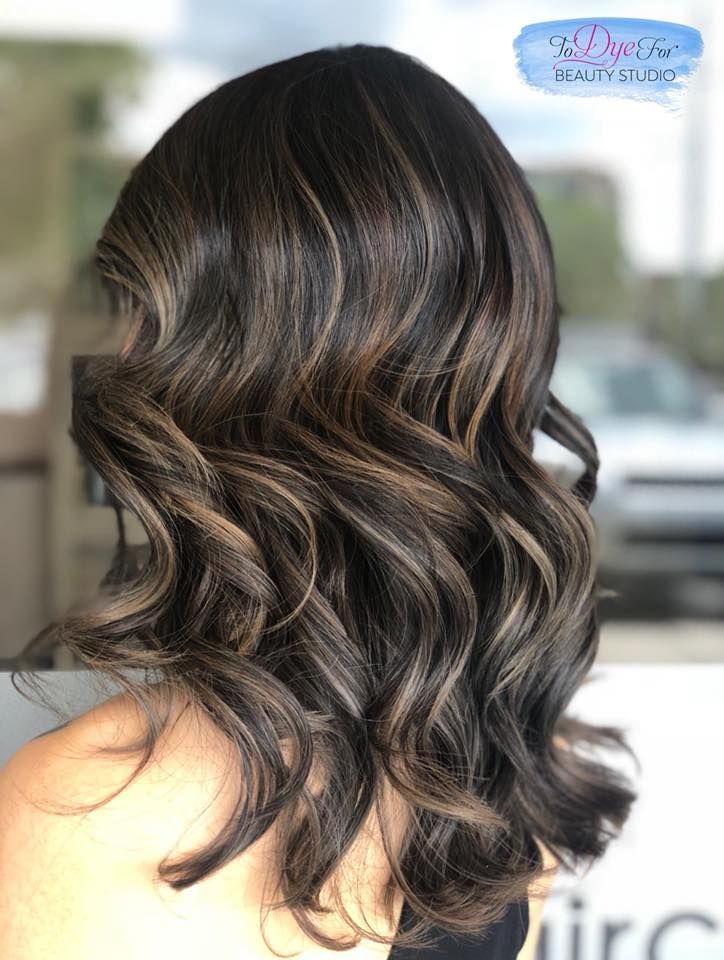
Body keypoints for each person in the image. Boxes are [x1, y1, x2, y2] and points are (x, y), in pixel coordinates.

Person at [0, 43, 636, 960]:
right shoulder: (500, 783)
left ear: (205, 359)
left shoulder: (87, 818)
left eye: (136, 300)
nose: (121, 343)